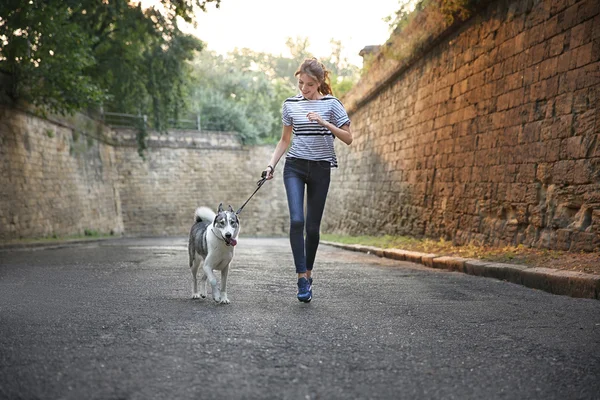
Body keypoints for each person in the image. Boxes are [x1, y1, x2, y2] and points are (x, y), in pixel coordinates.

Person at [263, 57, 353, 302]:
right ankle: (302, 278)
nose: (303, 89)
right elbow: (284, 140)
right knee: (296, 220)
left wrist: (325, 123)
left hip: (321, 169)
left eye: (309, 85)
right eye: (301, 83)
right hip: (294, 167)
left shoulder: (333, 104)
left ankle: (309, 273)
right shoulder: (290, 105)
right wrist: (270, 165)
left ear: (319, 83)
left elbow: (348, 138)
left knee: (312, 228)